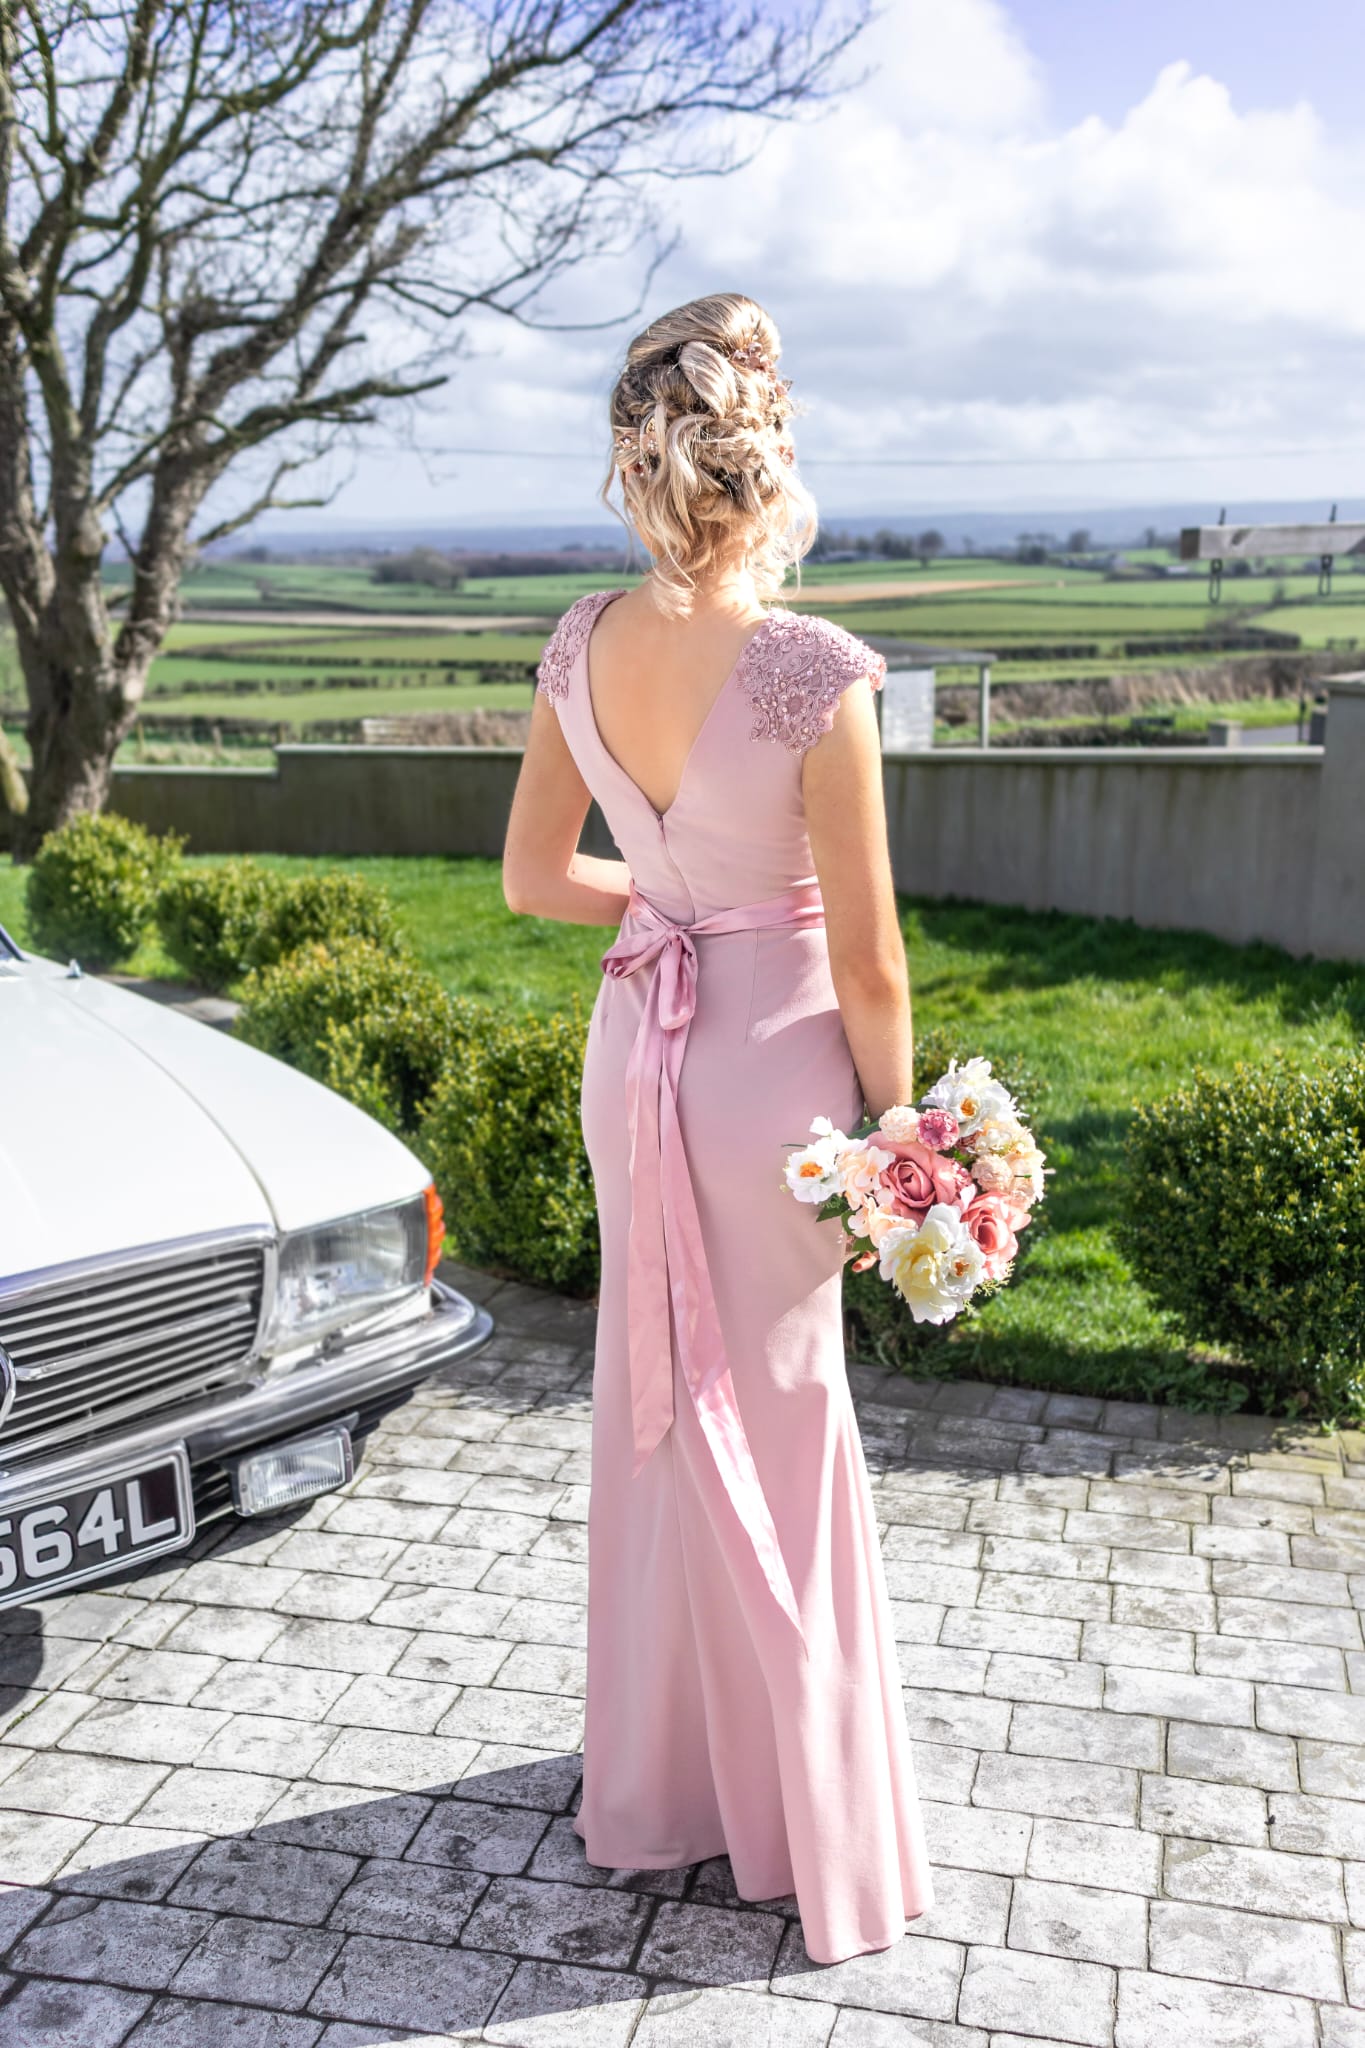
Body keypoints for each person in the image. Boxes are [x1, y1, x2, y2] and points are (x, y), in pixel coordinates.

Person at [502, 291, 934, 1965]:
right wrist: (909, 1134)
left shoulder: (573, 643)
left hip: (641, 1040)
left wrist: (669, 904)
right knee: (785, 1412)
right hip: (769, 1064)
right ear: (765, 476)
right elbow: (874, 955)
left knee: (655, 1399)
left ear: (637, 472)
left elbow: (540, 880)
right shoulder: (813, 673)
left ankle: (661, 1788)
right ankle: (806, 1813)